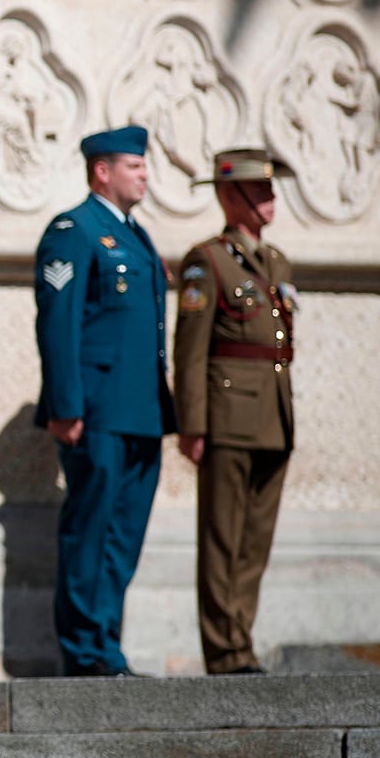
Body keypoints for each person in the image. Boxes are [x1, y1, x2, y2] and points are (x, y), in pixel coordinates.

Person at [34, 126, 176, 677]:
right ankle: (85, 650)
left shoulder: (135, 235)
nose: (144, 175)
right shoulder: (75, 230)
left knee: (123, 536)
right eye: (134, 166)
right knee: (91, 530)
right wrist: (65, 406)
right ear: (103, 171)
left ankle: (107, 643)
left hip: (141, 410)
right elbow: (59, 323)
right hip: (95, 412)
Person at [174, 150, 297, 675]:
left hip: (272, 415)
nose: (270, 201)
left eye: (270, 191)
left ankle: (241, 638)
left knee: (254, 541)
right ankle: (224, 651)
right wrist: (193, 424)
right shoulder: (208, 261)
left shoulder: (276, 263)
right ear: (230, 196)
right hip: (227, 417)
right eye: (259, 191)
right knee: (222, 537)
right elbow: (191, 350)